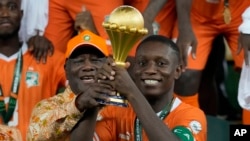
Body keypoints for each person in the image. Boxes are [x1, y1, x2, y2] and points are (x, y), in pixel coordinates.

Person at [28, 34, 207, 141]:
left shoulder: (190, 115)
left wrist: (131, 92)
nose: (150, 70)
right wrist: (96, 98)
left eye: (161, 63)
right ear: (134, 68)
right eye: (143, 63)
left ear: (177, 71)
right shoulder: (115, 113)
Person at [172, 0, 250, 120]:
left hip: (242, 9)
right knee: (184, 75)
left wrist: (248, 25)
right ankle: (188, 130)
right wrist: (184, 27)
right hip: (197, 13)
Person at [0, 0, 66, 140]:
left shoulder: (46, 57)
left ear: (21, 13)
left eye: (12, 7)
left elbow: (83, 84)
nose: (4, 14)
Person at [27, 29, 110, 140]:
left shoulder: (119, 106)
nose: (88, 66)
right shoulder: (46, 107)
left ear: (108, 65)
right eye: (79, 61)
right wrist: (79, 104)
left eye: (95, 60)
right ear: (66, 69)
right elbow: (36, 135)